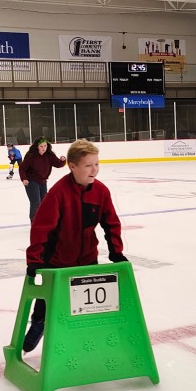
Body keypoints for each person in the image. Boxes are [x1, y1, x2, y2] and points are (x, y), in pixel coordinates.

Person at [21, 139, 126, 353]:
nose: (94, 169)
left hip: (87, 258)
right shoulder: (58, 193)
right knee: (46, 302)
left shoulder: (101, 192)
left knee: (87, 304)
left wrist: (116, 251)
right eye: (88, 165)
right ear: (72, 166)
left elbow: (111, 222)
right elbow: (41, 228)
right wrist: (34, 259)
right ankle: (39, 322)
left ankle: (85, 340)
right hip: (57, 259)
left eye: (96, 164)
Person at [19, 138, 66, 220]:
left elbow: (58, 164)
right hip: (31, 180)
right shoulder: (31, 155)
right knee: (36, 202)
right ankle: (34, 222)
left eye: (45, 146)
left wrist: (63, 160)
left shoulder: (49, 155)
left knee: (44, 202)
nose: (44, 148)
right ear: (37, 146)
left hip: (42, 181)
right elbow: (22, 168)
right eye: (41, 146)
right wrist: (24, 179)